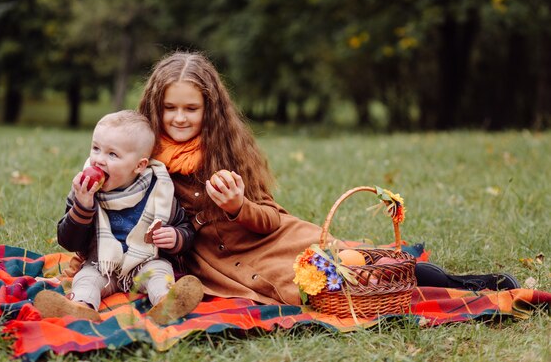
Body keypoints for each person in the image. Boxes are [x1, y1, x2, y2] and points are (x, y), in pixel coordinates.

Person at [138, 51, 520, 306]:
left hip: (274, 243)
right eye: (170, 108)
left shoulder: (225, 150)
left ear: (210, 109)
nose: (180, 118)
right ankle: (455, 286)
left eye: (192, 108)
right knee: (321, 291)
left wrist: (238, 207)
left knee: (352, 268)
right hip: (225, 268)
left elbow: (271, 218)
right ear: (156, 109)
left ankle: (468, 284)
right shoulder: (143, 157)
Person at [34, 110, 204, 324]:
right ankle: (79, 307)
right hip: (102, 266)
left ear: (139, 165)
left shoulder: (158, 191)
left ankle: (167, 302)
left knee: (160, 273)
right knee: (86, 279)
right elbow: (68, 241)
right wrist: (83, 207)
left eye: (112, 154)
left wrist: (176, 237)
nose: (99, 160)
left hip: (145, 263)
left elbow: (185, 228)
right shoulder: (84, 190)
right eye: (96, 149)